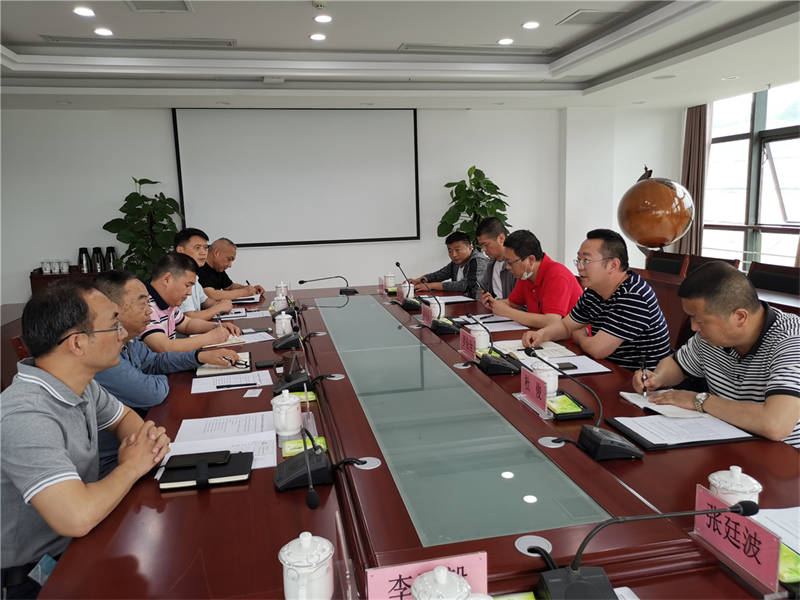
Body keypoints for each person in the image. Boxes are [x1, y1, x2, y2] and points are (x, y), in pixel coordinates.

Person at [1, 282, 170, 598]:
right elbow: (75, 517)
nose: (123, 334)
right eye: (113, 325)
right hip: (36, 579)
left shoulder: (81, 385)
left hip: (84, 543)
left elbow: (126, 420)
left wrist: (144, 444)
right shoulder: (24, 415)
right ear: (77, 343)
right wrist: (132, 466)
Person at [632, 261, 800, 446]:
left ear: (740, 317)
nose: (694, 327)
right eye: (691, 318)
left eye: (700, 321)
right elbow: (677, 364)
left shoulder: (791, 341)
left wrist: (699, 401)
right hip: (728, 441)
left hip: (783, 455)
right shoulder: (710, 337)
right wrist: (657, 378)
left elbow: (775, 424)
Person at [94, 270, 241, 475]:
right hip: (116, 465)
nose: (149, 311)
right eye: (142, 304)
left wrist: (199, 357)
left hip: (144, 445)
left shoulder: (129, 340)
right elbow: (152, 393)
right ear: (113, 310)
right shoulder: (101, 354)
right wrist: (154, 377)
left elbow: (155, 361)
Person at [523, 229, 671, 370]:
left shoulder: (633, 295)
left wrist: (580, 337)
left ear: (613, 265)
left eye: (586, 260)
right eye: (578, 260)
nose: (579, 267)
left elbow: (597, 349)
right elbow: (567, 326)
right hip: (607, 369)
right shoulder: (594, 291)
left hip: (641, 380)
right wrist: (541, 334)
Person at [481, 229, 583, 329]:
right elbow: (512, 303)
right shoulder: (526, 275)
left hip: (571, 338)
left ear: (530, 260)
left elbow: (552, 321)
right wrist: (494, 304)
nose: (507, 267)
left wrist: (507, 312)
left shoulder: (557, 275)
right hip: (541, 335)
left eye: (510, 262)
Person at [141, 252, 241, 354]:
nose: (189, 293)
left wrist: (216, 326)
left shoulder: (168, 302)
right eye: (187, 285)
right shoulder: (145, 306)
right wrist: (210, 338)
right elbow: (163, 347)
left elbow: (187, 324)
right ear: (167, 280)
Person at [174, 228, 234, 320]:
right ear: (180, 250)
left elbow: (205, 301)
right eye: (197, 248)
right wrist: (219, 308)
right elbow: (190, 317)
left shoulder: (193, 274)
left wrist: (221, 303)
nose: (203, 252)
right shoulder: (177, 276)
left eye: (205, 248)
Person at [408, 232, 488, 299]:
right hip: (461, 302)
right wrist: (418, 280)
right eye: (450, 251)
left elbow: (465, 285)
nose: (454, 255)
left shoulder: (478, 260)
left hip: (478, 305)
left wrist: (431, 286)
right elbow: (439, 274)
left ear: (470, 248)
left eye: (457, 250)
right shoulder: (456, 263)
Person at [198, 238, 265, 301]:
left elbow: (230, 287)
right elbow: (210, 295)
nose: (230, 265)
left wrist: (251, 289)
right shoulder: (199, 266)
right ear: (216, 253)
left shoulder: (217, 268)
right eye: (229, 259)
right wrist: (243, 292)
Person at [476, 217, 516, 299]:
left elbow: (520, 302)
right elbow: (482, 289)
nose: (484, 249)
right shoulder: (491, 264)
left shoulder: (517, 264)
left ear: (501, 238)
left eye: (486, 245)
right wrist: (483, 298)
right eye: (482, 245)